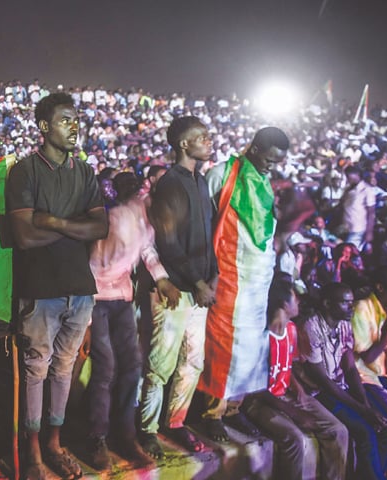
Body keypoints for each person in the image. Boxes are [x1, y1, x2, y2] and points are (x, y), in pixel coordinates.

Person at [6, 92, 108, 480]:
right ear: (44, 127)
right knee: (35, 371)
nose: (74, 127)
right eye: (65, 120)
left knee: (63, 370)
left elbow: (100, 228)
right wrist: (71, 227)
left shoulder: (84, 172)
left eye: (76, 120)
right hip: (40, 288)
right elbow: (24, 236)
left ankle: (54, 443)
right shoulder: (26, 171)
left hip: (79, 287)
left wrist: (53, 222)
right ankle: (31, 451)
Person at [200, 127, 290, 442]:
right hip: (227, 275)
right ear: (253, 148)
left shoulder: (265, 184)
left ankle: (233, 411)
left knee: (251, 351)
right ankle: (211, 413)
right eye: (268, 160)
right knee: (223, 348)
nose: (270, 167)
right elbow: (202, 221)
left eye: (276, 162)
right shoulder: (221, 174)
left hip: (258, 282)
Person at [84, 172, 175, 470]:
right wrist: (85, 318)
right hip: (98, 298)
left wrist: (161, 277)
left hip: (122, 296)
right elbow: (95, 265)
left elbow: (147, 248)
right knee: (106, 367)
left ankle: (124, 433)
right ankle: (97, 436)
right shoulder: (121, 219)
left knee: (132, 364)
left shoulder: (143, 217)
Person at [139, 116, 217, 458]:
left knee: (192, 361)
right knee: (160, 365)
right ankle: (146, 430)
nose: (209, 140)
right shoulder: (171, 183)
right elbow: (168, 242)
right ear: (184, 144)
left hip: (198, 290)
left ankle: (176, 422)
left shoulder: (200, 182)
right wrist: (198, 281)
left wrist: (210, 276)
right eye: (201, 136)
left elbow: (208, 236)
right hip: (176, 292)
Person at [242, 273, 348, 480]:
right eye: (295, 297)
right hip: (260, 401)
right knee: (295, 439)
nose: (299, 301)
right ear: (283, 304)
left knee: (338, 431)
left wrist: (299, 391)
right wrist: (293, 412)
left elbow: (286, 367)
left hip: (285, 395)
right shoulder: (261, 336)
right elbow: (255, 388)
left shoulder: (290, 329)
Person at [298, 282, 387, 480]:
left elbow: (349, 368)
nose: (351, 307)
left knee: (384, 426)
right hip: (321, 393)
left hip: (341, 387)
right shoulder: (310, 328)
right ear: (328, 304)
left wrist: (365, 404)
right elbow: (323, 381)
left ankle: (371, 476)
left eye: (351, 302)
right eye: (345, 303)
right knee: (365, 432)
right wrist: (364, 410)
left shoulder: (344, 324)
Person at [337, 165, 376, 253]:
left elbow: (371, 213)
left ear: (357, 175)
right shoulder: (348, 189)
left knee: (349, 253)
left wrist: (369, 232)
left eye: (348, 176)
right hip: (345, 227)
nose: (347, 178)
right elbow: (342, 205)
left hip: (358, 228)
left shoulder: (366, 190)